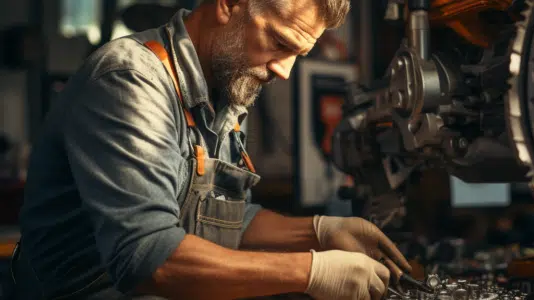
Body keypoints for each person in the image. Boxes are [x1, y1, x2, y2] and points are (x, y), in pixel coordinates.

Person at [8, 0, 412, 299]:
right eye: (278, 41)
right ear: (229, 5)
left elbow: (222, 218)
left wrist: (322, 232)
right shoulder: (131, 81)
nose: (284, 71)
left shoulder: (230, 86)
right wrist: (311, 269)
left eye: (298, 55)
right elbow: (148, 257)